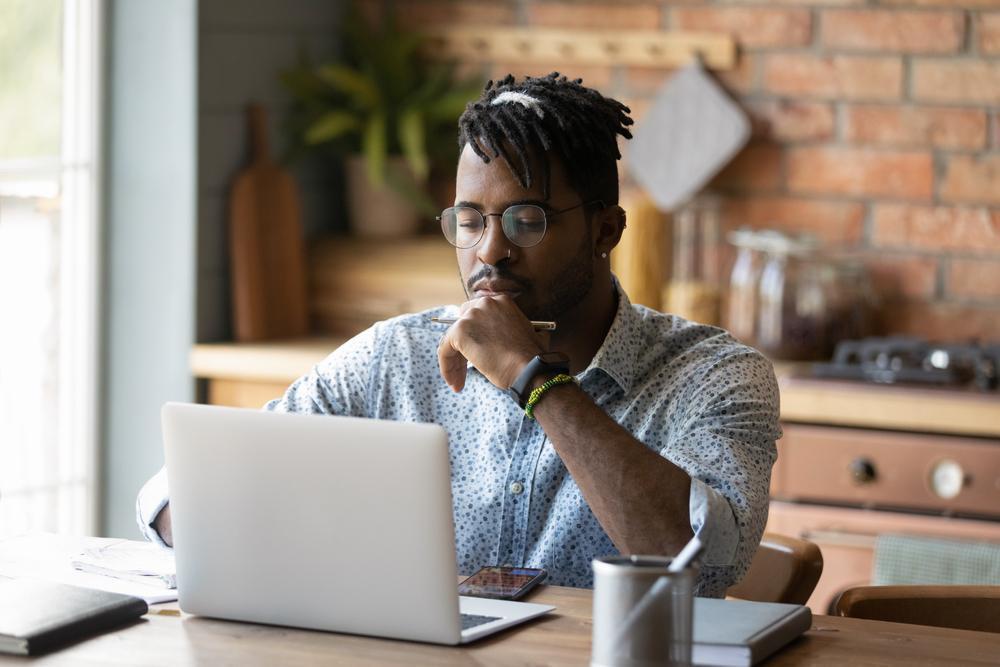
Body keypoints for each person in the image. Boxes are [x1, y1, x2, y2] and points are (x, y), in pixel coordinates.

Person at [137, 73, 781, 597]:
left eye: (527, 221)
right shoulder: (393, 357)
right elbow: (173, 498)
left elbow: (702, 561)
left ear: (606, 231)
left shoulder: (715, 375)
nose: (490, 253)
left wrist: (539, 381)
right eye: (469, 221)